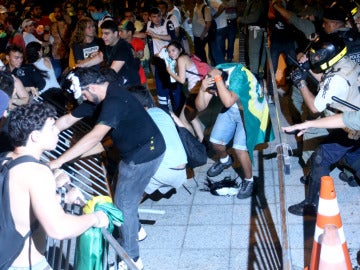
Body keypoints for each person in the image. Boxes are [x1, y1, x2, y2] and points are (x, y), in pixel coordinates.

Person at [49, 67, 165, 270]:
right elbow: (67, 120)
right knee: (124, 197)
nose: (82, 99)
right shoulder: (97, 98)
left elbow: (95, 136)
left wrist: (58, 161)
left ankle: (132, 259)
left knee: (123, 204)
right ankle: (136, 230)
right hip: (136, 150)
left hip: (145, 154)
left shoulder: (114, 101)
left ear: (92, 87)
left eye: (83, 94)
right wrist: (46, 133)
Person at [4, 102, 109, 269]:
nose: (57, 131)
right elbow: (58, 229)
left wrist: (62, 196)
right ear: (35, 136)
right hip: (27, 264)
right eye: (52, 127)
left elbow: (18, 203)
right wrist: (95, 218)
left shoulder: (6, 159)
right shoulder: (37, 172)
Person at [286, 34, 360, 216]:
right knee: (352, 154)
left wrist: (301, 83)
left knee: (321, 156)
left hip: (351, 125)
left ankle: (311, 204)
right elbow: (330, 84)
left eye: (319, 55)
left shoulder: (336, 79)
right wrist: (309, 69)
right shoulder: (346, 63)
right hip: (353, 116)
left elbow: (314, 107)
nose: (314, 58)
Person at [195, 67, 255, 199]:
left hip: (247, 111)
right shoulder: (212, 76)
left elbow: (228, 101)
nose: (215, 95)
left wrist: (218, 80)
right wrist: (201, 88)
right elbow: (200, 106)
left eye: (216, 92)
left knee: (239, 148)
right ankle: (225, 160)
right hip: (231, 110)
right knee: (215, 142)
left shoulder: (238, 77)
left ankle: (250, 180)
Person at [129, 85, 187, 199]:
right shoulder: (163, 110)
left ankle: (126, 210)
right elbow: (183, 129)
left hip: (164, 172)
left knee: (129, 174)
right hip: (182, 169)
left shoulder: (138, 120)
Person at [166, 40, 205, 142]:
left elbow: (182, 80)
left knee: (183, 120)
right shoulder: (186, 57)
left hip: (195, 92)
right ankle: (201, 140)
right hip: (198, 89)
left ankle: (194, 143)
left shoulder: (181, 59)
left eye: (173, 50)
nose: (171, 54)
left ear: (180, 50)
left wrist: (170, 72)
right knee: (192, 117)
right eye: (169, 52)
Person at [100, 19, 141, 87]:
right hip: (121, 84)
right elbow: (99, 56)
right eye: (102, 33)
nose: (102, 36)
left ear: (115, 33)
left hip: (130, 87)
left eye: (106, 33)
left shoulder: (123, 47)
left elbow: (112, 72)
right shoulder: (109, 45)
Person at [118, 19, 147, 85]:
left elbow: (141, 54)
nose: (119, 33)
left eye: (122, 31)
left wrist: (134, 54)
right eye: (119, 31)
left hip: (139, 78)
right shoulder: (118, 42)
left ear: (129, 32)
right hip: (124, 79)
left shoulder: (137, 41)